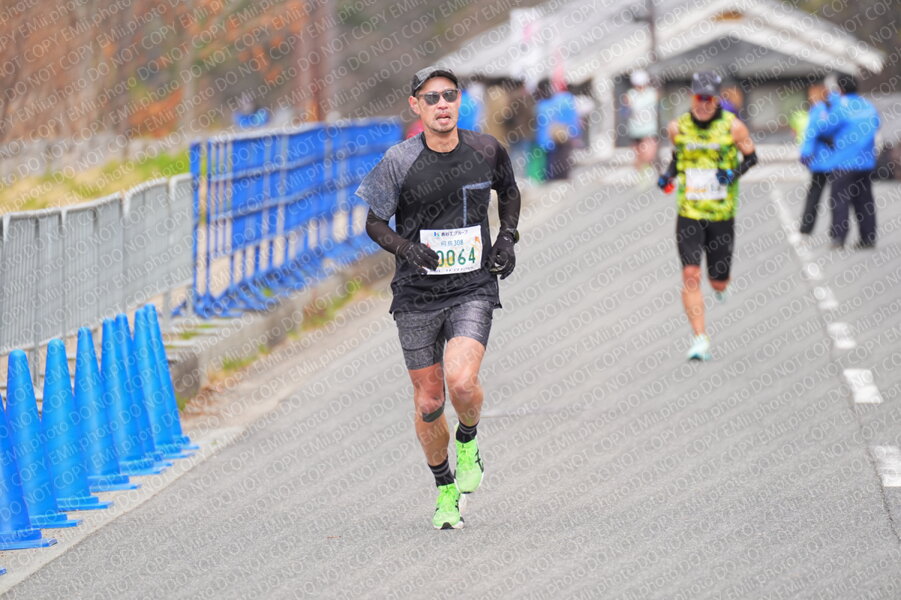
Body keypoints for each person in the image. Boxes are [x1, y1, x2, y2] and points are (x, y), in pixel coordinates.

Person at [356, 66, 521, 530]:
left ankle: (468, 439)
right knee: (429, 402)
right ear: (416, 106)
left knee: (461, 382)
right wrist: (406, 249)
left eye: (449, 95)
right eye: (431, 98)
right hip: (416, 293)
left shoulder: (486, 149)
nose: (442, 105)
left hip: (472, 285)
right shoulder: (399, 160)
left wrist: (507, 238)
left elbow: (509, 193)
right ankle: (445, 487)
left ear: (459, 101)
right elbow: (374, 222)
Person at [657, 71, 758, 361]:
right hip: (689, 211)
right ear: (692, 97)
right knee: (690, 274)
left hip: (721, 212)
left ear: (717, 99)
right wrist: (667, 176)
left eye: (709, 99)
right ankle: (700, 339)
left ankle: (721, 285)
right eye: (699, 98)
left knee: (717, 281)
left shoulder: (733, 127)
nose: (703, 104)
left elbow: (752, 157)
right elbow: (678, 158)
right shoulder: (678, 127)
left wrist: (732, 174)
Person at [807, 74, 880, 249]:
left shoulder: (840, 106)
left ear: (839, 89)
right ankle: (868, 238)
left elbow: (824, 128)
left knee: (840, 199)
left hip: (844, 161)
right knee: (865, 200)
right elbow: (877, 124)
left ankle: (838, 238)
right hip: (866, 161)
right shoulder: (867, 105)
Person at [798, 84, 835, 235]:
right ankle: (837, 230)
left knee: (814, 194)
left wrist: (805, 154)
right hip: (838, 160)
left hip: (821, 161)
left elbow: (811, 134)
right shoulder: (838, 108)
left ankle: (806, 227)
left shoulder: (818, 110)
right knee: (838, 196)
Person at [535, 78, 581, 180]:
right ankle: (560, 176)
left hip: (549, 138)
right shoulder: (563, 99)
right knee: (562, 156)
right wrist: (575, 133)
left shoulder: (541, 104)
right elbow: (573, 118)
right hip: (561, 135)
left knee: (553, 159)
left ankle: (553, 177)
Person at [623, 69, 659, 172]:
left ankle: (647, 172)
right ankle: (640, 174)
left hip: (649, 131)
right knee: (638, 156)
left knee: (648, 156)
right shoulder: (630, 94)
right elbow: (625, 112)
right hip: (635, 130)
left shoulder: (652, 93)